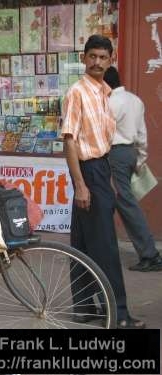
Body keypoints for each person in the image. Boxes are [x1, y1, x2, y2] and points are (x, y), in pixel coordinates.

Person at [62, 35, 145, 329]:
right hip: (87, 170)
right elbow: (69, 141)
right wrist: (82, 185)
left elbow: (101, 141)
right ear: (84, 58)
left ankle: (84, 307)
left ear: (111, 60)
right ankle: (118, 313)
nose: (97, 62)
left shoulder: (104, 92)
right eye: (92, 56)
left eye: (103, 57)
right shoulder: (78, 92)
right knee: (106, 246)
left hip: (100, 168)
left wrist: (104, 177)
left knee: (83, 244)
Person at [103, 67, 162, 271]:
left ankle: (150, 254)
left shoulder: (109, 102)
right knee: (121, 201)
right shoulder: (135, 100)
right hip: (129, 153)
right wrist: (140, 160)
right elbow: (142, 135)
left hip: (114, 154)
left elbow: (103, 134)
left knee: (125, 203)